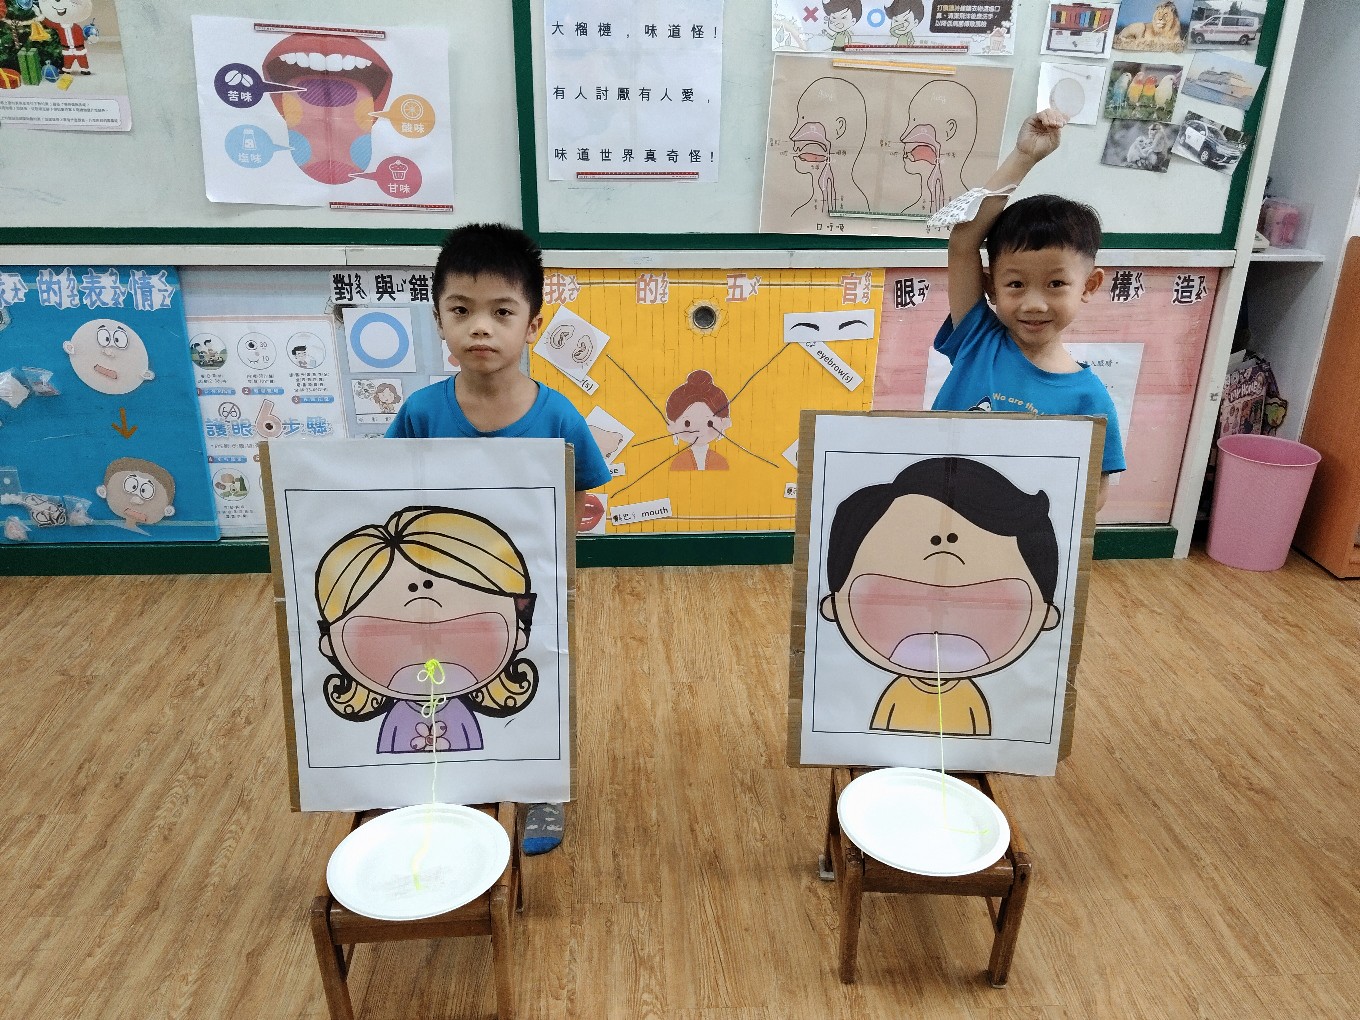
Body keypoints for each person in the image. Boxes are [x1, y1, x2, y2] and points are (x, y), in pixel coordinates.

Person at [387, 222, 611, 854]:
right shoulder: (422, 412)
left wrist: (555, 562)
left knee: (539, 675)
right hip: (441, 585)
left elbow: (583, 493)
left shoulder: (557, 415)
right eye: (461, 311)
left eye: (501, 312)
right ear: (439, 320)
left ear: (532, 325)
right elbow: (384, 493)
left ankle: (543, 786)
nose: (480, 328)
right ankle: (458, 765)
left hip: (530, 588)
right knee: (453, 671)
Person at [935, 108, 1125, 508]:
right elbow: (963, 243)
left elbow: (1093, 496)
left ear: (1089, 285)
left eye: (1056, 284)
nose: (1034, 304)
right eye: (1016, 284)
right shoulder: (977, 341)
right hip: (934, 520)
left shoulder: (1089, 400)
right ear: (990, 286)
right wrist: (1024, 157)